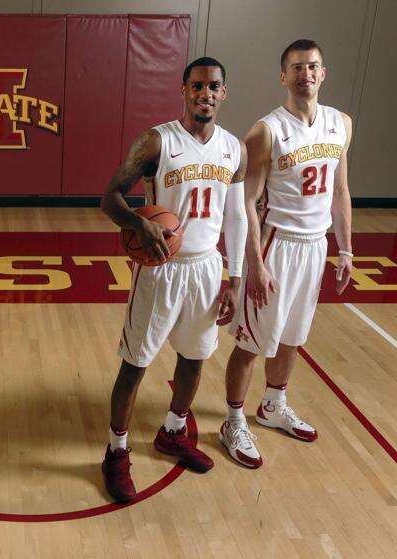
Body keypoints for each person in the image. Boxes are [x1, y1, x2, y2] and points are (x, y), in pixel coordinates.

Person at [100, 57, 248, 502]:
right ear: (183, 90)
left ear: (224, 92)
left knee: (195, 356)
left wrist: (235, 278)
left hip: (206, 267)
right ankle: (116, 452)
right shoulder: (157, 142)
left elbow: (236, 216)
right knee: (135, 363)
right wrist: (138, 223)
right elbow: (109, 198)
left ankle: (173, 431)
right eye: (197, 85)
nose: (205, 93)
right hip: (160, 267)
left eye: (214, 86)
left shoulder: (233, 149)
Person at [220, 39, 353, 468]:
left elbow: (340, 189)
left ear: (323, 73)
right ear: (283, 76)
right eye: (297, 67)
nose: (305, 74)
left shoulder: (341, 123)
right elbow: (247, 202)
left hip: (316, 246)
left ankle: (273, 405)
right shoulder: (267, 131)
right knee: (252, 340)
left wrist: (346, 250)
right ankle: (233, 421)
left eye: (312, 66)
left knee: (293, 336)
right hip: (276, 244)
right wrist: (255, 263)